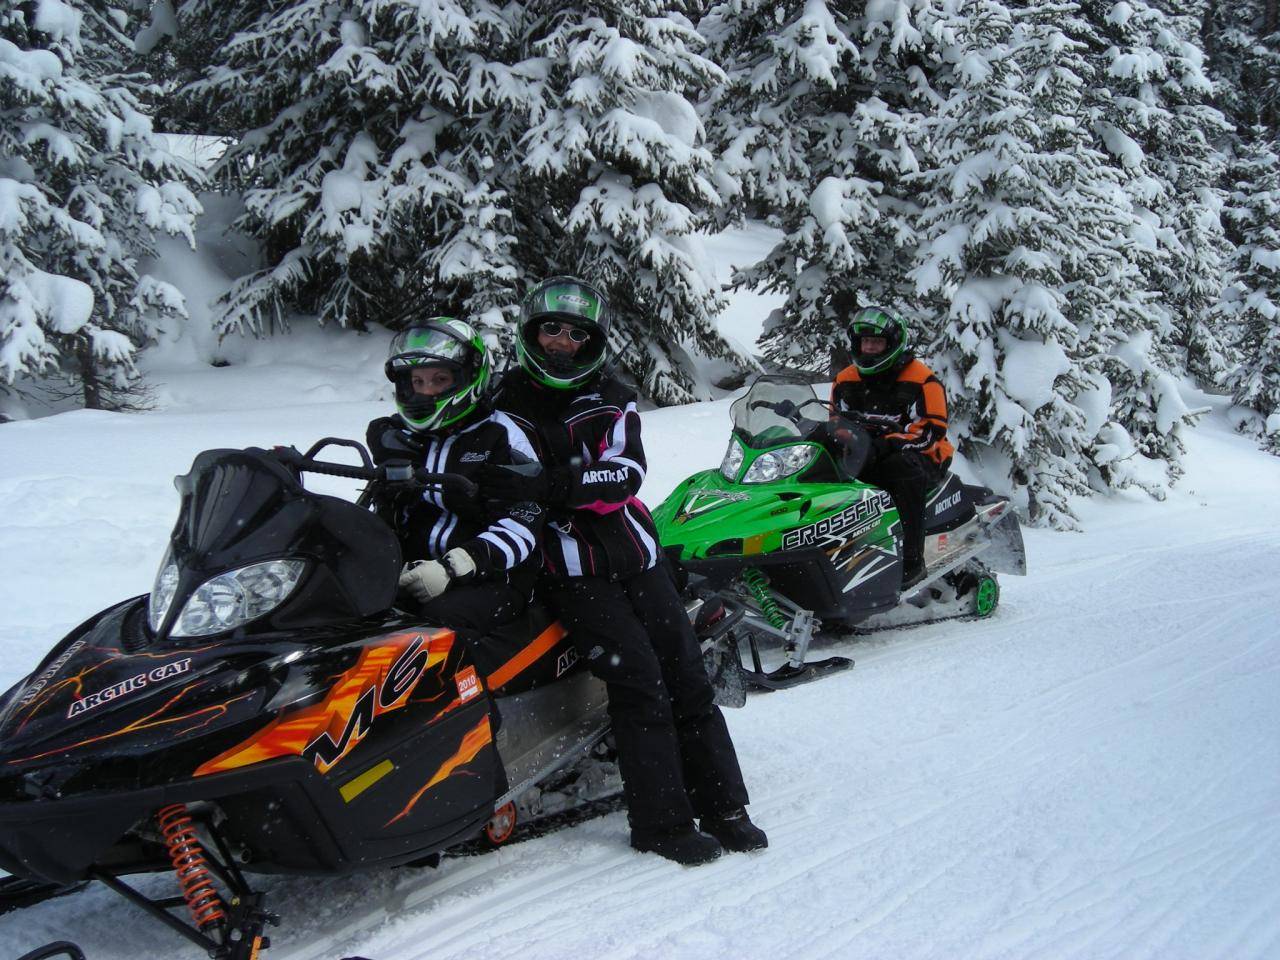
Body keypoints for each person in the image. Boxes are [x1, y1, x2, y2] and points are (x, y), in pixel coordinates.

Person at [478, 276, 767, 866]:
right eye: (551, 329)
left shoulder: (612, 392)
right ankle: (661, 822)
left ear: (593, 340)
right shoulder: (499, 404)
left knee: (687, 672)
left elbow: (623, 476)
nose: (562, 341)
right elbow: (513, 485)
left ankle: (724, 805)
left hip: (636, 552)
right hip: (566, 566)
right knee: (637, 682)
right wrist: (562, 487)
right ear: (531, 333)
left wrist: (556, 483)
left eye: (576, 332)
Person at [367, 318, 544, 632]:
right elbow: (380, 506)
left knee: (431, 626)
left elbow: (524, 521)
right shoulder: (395, 436)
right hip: (414, 568)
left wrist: (456, 565)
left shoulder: (501, 436)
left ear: (467, 378)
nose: (426, 391)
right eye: (417, 382)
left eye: (439, 380)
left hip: (495, 576)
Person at [830, 305, 954, 589]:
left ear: (893, 344)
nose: (871, 348)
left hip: (920, 455)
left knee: (901, 469)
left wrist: (887, 444)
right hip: (865, 454)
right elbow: (836, 422)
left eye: (877, 342)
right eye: (866, 342)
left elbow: (931, 430)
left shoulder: (921, 379)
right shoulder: (845, 380)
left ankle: (910, 562)